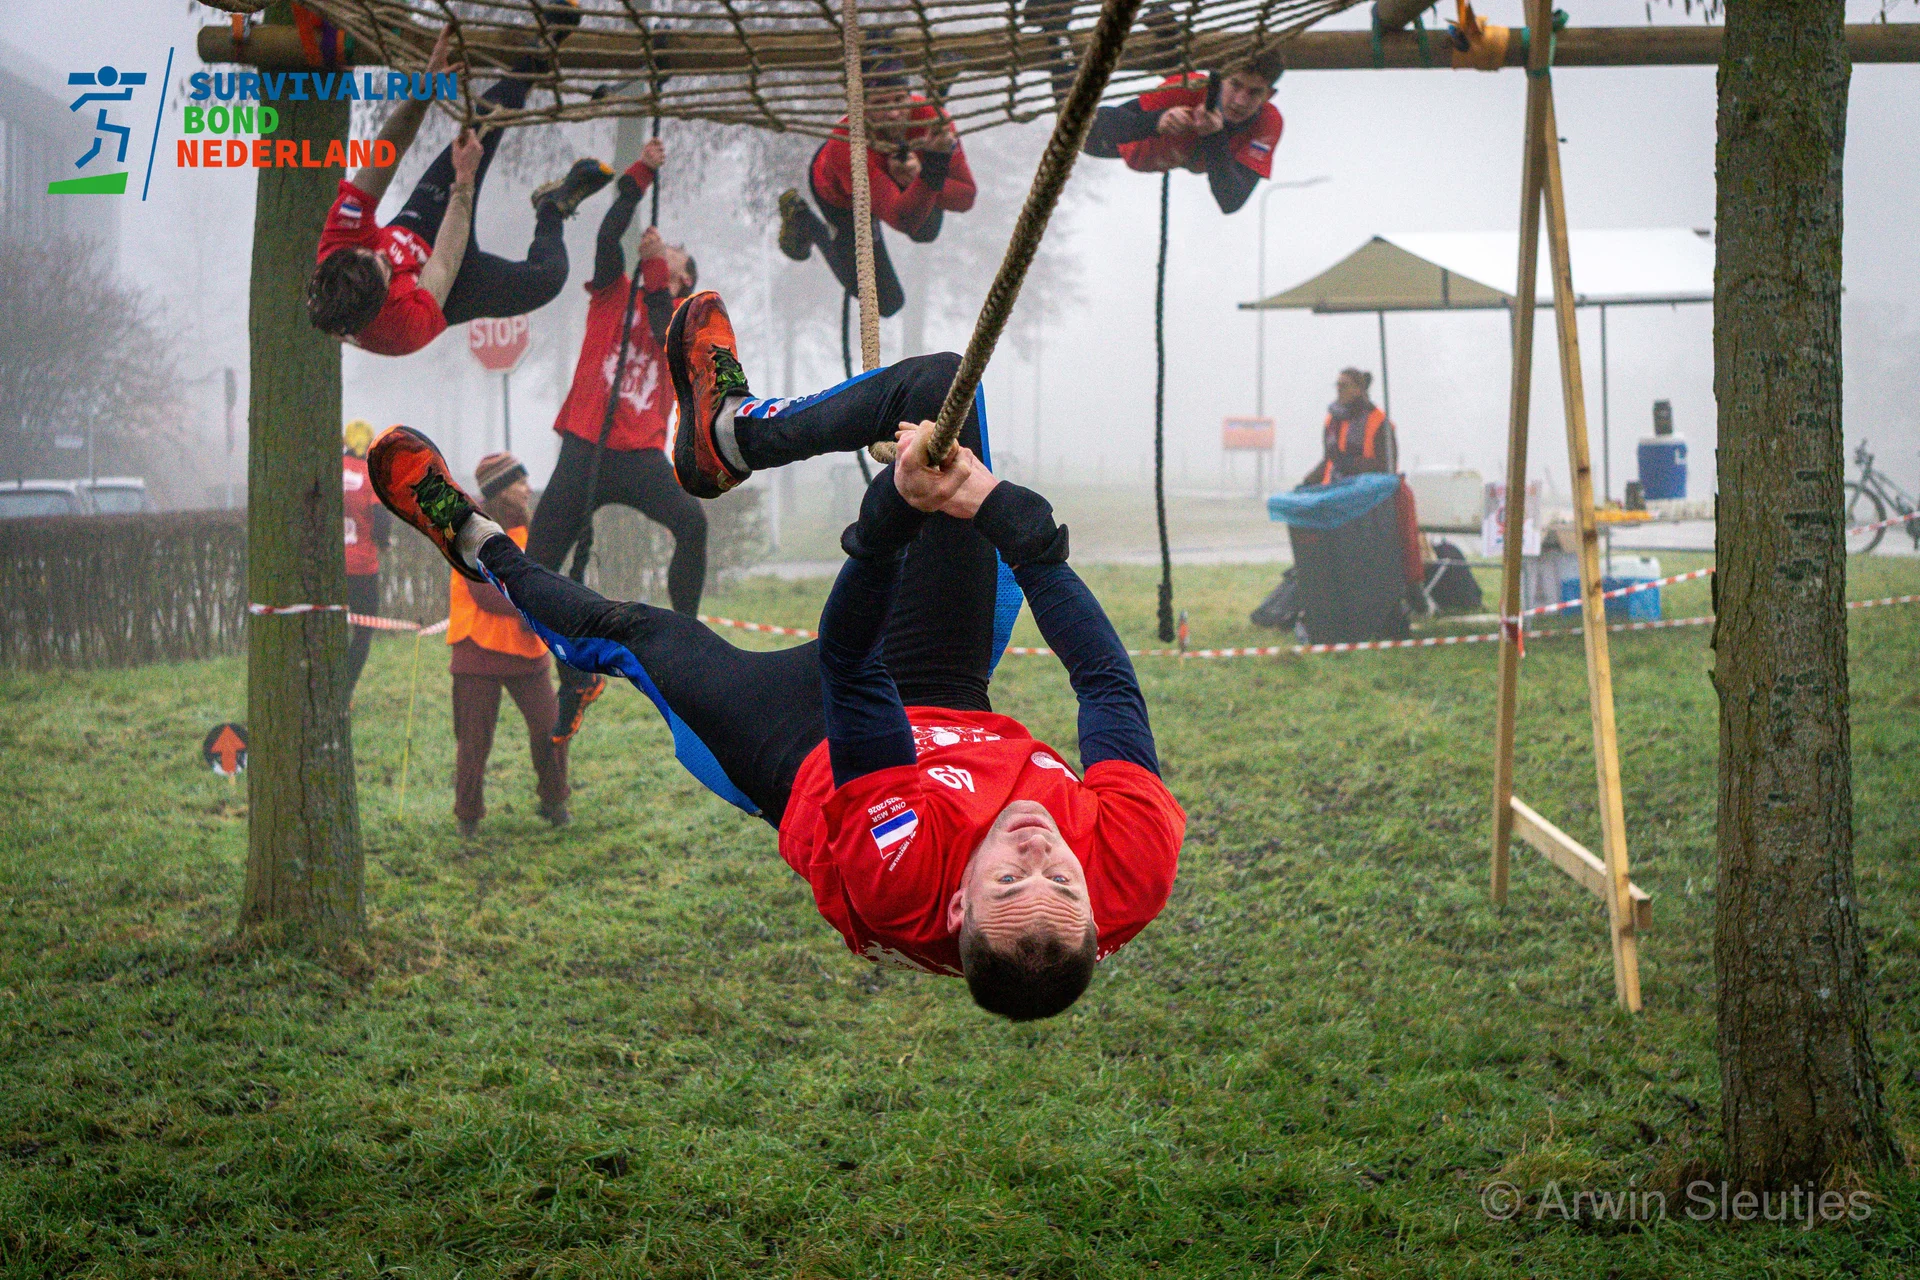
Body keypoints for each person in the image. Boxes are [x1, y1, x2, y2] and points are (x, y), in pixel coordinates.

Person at [365, 293, 1184, 1021]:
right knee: (941, 388)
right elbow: (1105, 681)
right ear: (1093, 910)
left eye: (1009, 882)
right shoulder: (1131, 866)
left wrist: (895, 506)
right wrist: (1003, 514)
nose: (1039, 854)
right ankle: (734, 434)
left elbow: (853, 668)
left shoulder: (900, 876)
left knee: (638, 633)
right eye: (1062, 883)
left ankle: (473, 545)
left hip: (803, 751)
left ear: (959, 911)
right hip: (946, 693)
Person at [525, 136, 706, 746]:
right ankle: (575, 676)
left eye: (672, 256)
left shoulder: (687, 320)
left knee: (692, 524)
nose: (662, 251)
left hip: (638, 457)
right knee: (537, 573)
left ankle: (687, 636)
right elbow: (608, 237)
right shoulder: (613, 291)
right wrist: (640, 176)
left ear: (683, 276)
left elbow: (662, 328)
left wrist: (657, 270)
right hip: (584, 449)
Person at [306, 18, 615, 357]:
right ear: (382, 301)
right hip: (451, 286)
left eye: (374, 253)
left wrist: (422, 92)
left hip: (415, 228)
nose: (385, 254)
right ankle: (551, 207)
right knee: (549, 279)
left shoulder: (339, 240)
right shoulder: (404, 328)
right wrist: (463, 182)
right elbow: (444, 264)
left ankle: (536, 56)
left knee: (481, 128)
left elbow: (384, 155)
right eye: (386, 267)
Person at [775, 52, 976, 318]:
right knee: (887, 301)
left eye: (899, 100)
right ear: (862, 108)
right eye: (881, 103)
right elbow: (902, 218)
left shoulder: (932, 118)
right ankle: (806, 222)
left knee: (927, 231)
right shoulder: (845, 147)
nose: (894, 113)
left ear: (909, 95)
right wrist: (931, 168)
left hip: (898, 172)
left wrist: (923, 172)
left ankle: (915, 169)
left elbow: (966, 197)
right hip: (840, 197)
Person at [446, 451, 571, 837]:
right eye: (518, 481)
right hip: (477, 649)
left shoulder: (533, 530)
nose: (526, 487)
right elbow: (486, 594)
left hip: (526, 652)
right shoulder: (469, 530)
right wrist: (535, 609)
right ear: (500, 490)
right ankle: (468, 817)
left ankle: (554, 801)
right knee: (474, 741)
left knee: (551, 728)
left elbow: (543, 578)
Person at [1079, 48, 1286, 215]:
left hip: (1192, 156)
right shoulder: (1188, 87)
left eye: (1254, 92)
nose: (1240, 101)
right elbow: (1089, 126)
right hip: (1137, 147)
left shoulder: (1268, 123)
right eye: (1235, 85)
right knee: (1070, 117)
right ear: (1220, 79)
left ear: (1269, 94)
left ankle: (1170, 41)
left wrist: (1214, 136)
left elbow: (1231, 200)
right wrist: (1157, 122)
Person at [342, 418, 391, 697]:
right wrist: (383, 542)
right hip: (362, 567)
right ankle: (345, 689)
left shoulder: (330, 468)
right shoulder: (372, 475)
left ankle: (326, 684)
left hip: (333, 566)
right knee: (363, 631)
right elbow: (381, 517)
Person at [1308, 367, 1399, 484]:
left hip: (1368, 494)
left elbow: (1386, 465)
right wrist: (1307, 482)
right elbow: (1328, 461)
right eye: (1337, 385)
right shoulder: (1331, 421)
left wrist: (1349, 464)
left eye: (1344, 385)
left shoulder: (1379, 421)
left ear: (1358, 390)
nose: (1339, 389)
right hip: (1334, 490)